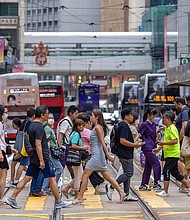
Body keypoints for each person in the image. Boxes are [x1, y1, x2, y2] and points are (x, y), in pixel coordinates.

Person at [5, 105, 72, 209]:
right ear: (42, 115)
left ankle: (12, 197)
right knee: (52, 178)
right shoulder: (39, 127)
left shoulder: (31, 125)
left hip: (34, 159)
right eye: (47, 114)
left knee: (27, 178)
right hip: (42, 158)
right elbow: (38, 144)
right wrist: (42, 160)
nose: (48, 116)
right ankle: (59, 201)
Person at [73, 109, 126, 204]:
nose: (91, 117)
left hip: (97, 155)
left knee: (85, 175)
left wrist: (108, 155)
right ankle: (121, 192)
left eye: (92, 116)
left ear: (97, 117)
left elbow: (102, 143)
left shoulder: (97, 128)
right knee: (108, 177)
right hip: (98, 155)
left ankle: (79, 197)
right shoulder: (96, 127)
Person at [105, 108, 142, 202]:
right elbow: (123, 140)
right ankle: (112, 186)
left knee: (127, 173)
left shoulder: (121, 125)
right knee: (129, 173)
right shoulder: (124, 127)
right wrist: (134, 145)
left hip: (123, 152)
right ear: (126, 116)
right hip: (125, 153)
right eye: (130, 115)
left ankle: (126, 194)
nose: (132, 117)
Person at [153, 111, 190, 197]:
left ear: (168, 119)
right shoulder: (168, 128)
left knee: (166, 171)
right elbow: (166, 142)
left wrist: (162, 143)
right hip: (169, 154)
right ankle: (188, 186)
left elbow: (175, 141)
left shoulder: (172, 128)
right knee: (175, 173)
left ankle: (165, 191)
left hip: (172, 154)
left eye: (163, 118)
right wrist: (158, 149)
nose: (162, 120)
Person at [62, 119, 88, 199]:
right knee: (79, 176)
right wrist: (82, 148)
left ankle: (70, 190)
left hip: (76, 158)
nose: (83, 127)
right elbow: (73, 145)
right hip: (75, 158)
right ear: (78, 126)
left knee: (79, 176)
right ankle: (72, 192)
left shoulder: (74, 133)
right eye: (82, 125)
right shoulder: (76, 134)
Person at [138, 107, 162, 191]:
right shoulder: (144, 124)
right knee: (156, 164)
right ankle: (156, 183)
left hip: (153, 146)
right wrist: (135, 143)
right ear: (149, 115)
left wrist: (158, 134)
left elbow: (154, 136)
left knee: (148, 166)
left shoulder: (153, 124)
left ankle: (143, 184)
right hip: (147, 147)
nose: (154, 117)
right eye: (153, 115)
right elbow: (139, 134)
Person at [13, 107, 35, 187]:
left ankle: (17, 180)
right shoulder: (29, 123)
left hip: (22, 147)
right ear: (33, 115)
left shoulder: (25, 122)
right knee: (22, 164)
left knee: (24, 164)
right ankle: (16, 180)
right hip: (25, 148)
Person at [42, 113, 63, 193]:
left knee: (50, 170)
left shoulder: (50, 128)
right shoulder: (47, 129)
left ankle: (46, 187)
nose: (51, 119)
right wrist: (46, 154)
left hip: (52, 151)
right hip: (51, 151)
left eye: (52, 117)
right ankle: (52, 185)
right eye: (49, 118)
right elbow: (48, 142)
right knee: (59, 168)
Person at [57, 105, 79, 181]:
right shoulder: (66, 122)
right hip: (64, 149)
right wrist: (59, 149)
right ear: (70, 113)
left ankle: (75, 183)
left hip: (66, 149)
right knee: (61, 168)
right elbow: (60, 135)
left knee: (68, 167)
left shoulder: (69, 122)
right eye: (76, 113)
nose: (77, 115)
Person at [174, 96, 189, 193]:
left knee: (180, 161)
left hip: (184, 142)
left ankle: (184, 183)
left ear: (179, 103)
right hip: (184, 141)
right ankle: (184, 184)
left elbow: (184, 127)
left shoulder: (184, 112)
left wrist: (179, 140)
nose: (175, 106)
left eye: (175, 104)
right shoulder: (184, 111)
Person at [0, 105, 10, 203]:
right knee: (3, 176)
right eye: (5, 112)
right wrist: (1, 153)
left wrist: (8, 147)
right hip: (0, 152)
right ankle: (2, 197)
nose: (6, 114)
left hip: (2, 150)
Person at [10, 118, 22, 186]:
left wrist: (18, 152)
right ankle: (13, 180)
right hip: (18, 151)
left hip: (19, 152)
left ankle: (13, 181)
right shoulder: (19, 131)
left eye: (13, 124)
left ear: (16, 125)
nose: (12, 126)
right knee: (21, 165)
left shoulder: (20, 132)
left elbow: (19, 143)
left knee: (15, 164)